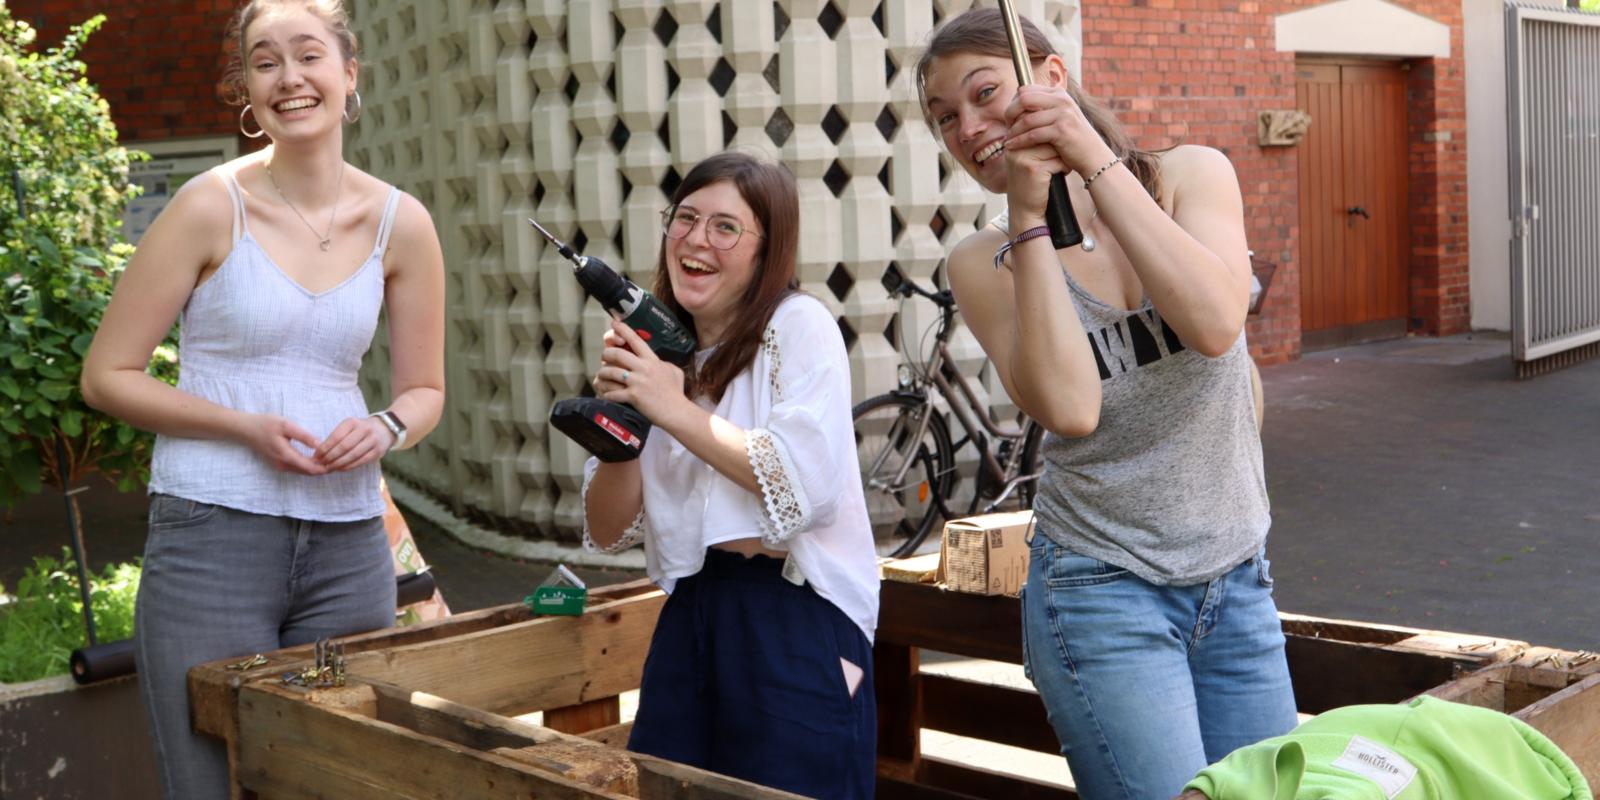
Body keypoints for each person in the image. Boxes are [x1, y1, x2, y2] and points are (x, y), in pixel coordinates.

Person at [916, 9, 1297, 800]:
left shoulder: (1193, 173)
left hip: (1236, 581)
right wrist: (1028, 217)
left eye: (985, 95)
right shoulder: (980, 260)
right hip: (1099, 590)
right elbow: (1072, 407)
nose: (968, 127)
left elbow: (1215, 323)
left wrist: (1088, 159)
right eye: (944, 118)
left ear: (1051, 77)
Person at [80, 1, 445, 796]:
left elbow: (424, 391)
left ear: (349, 72)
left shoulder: (400, 223)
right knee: (208, 784)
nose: (289, 77)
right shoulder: (211, 205)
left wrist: (384, 427)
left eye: (308, 55)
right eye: (264, 60)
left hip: (349, 546)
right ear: (245, 86)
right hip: (213, 537)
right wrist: (242, 427)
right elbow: (108, 375)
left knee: (332, 782)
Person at [581, 151, 879, 799]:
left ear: (766, 250)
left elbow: (802, 485)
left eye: (725, 227)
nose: (696, 240)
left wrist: (671, 407)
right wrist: (621, 432)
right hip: (690, 609)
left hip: (796, 615)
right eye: (684, 218)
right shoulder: (657, 352)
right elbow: (606, 528)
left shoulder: (799, 327)